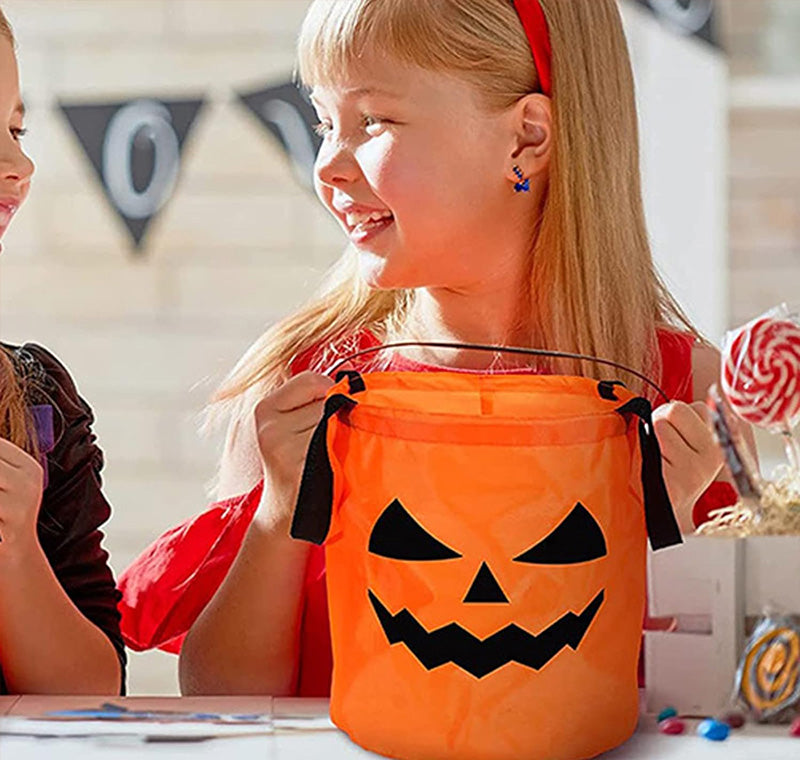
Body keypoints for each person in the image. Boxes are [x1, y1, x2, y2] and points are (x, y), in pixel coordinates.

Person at [119, 0, 751, 697]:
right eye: (324, 122)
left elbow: (716, 705)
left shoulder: (688, 394)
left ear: (526, 140)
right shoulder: (303, 388)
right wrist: (280, 512)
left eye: (373, 121)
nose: (327, 164)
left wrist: (674, 529)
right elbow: (223, 698)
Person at [0, 8, 125, 694]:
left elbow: (97, 690)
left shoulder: (37, 400)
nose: (21, 164)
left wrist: (16, 551)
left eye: (16, 129)